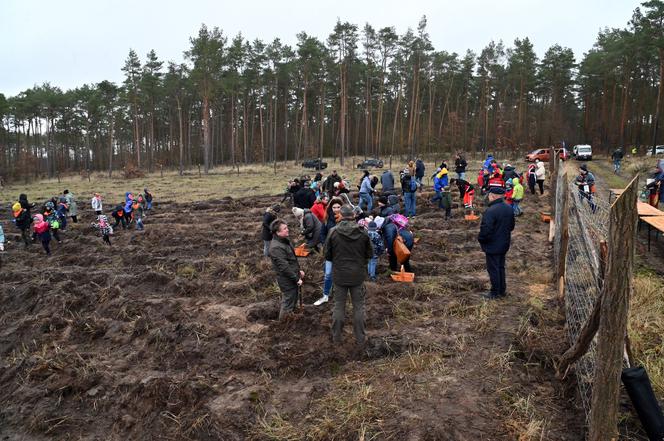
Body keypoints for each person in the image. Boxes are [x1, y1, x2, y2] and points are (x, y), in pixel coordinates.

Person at [324, 205, 373, 345]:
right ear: (353, 216)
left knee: (339, 306)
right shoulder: (363, 232)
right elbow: (370, 253)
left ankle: (336, 338)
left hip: (339, 275)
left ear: (341, 216)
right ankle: (360, 339)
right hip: (357, 275)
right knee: (359, 306)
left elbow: (327, 254)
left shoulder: (333, 232)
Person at [477, 187, 515, 300]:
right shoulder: (509, 208)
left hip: (493, 245)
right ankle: (501, 290)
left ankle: (495, 292)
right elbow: (511, 226)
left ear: (492, 196)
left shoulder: (490, 211)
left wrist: (481, 239)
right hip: (504, 243)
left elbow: (486, 230)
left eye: (489, 195)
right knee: (500, 267)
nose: (488, 197)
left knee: (493, 268)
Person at [269, 219, 305, 320]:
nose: (287, 230)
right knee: (288, 302)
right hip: (287, 280)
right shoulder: (276, 248)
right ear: (277, 232)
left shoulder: (284, 241)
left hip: (292, 277)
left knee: (293, 299)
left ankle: (290, 318)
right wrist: (296, 279)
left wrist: (299, 271)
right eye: (285, 229)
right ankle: (282, 324)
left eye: (287, 227)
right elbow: (284, 267)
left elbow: (291, 260)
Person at [314, 197, 344, 306]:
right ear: (330, 208)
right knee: (328, 274)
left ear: (342, 207)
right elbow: (322, 233)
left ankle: (341, 294)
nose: (336, 209)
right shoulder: (327, 219)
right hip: (330, 251)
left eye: (338, 207)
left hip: (342, 251)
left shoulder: (346, 219)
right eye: (334, 207)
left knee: (342, 273)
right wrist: (324, 243)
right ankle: (325, 295)